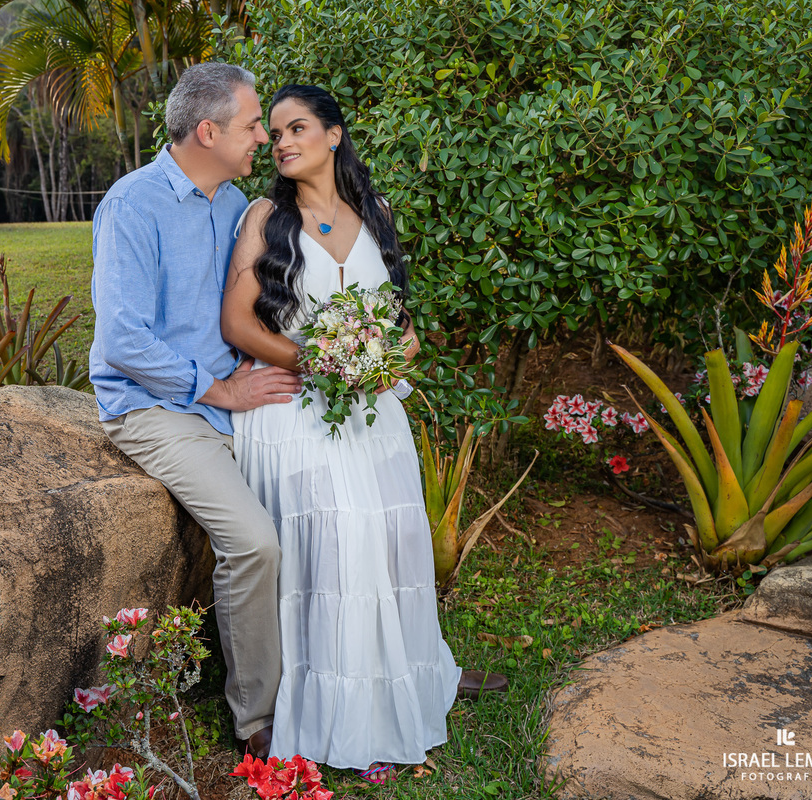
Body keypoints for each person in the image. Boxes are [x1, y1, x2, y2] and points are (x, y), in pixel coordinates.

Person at [221, 84, 507, 781]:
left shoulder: (375, 212)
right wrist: (319, 362)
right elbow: (237, 324)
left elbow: (402, 326)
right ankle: (330, 706)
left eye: (298, 128)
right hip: (292, 406)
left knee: (389, 538)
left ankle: (415, 676)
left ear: (335, 135)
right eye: (277, 132)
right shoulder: (266, 217)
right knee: (341, 535)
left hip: (372, 410)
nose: (284, 142)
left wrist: (393, 359)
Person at [89, 62, 302, 759]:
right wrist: (220, 391)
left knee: (319, 501)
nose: (261, 141)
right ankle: (257, 722)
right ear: (207, 131)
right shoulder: (133, 204)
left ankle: (355, 673)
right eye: (250, 127)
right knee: (255, 541)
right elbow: (123, 341)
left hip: (226, 396)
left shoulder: (232, 203)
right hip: (156, 408)